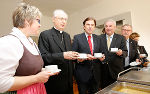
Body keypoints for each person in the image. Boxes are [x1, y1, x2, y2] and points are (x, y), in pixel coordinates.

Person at [0, 3, 55, 94]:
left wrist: (44, 71)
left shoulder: (31, 42)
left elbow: (28, 69)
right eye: (38, 21)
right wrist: (37, 78)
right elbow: (2, 83)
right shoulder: (10, 42)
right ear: (27, 21)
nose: (39, 25)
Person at [38, 9, 79, 94]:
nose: (63, 21)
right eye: (61, 19)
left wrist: (77, 58)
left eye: (65, 19)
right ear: (53, 19)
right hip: (54, 81)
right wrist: (63, 55)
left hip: (69, 81)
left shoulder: (67, 36)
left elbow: (68, 55)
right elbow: (43, 57)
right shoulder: (45, 35)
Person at [72, 17, 105, 94]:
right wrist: (78, 59)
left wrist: (102, 57)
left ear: (94, 27)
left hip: (96, 74)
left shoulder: (98, 38)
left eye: (92, 25)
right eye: (88, 24)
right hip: (82, 73)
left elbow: (101, 52)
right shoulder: (77, 38)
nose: (90, 26)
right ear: (84, 26)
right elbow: (73, 54)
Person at [99, 19, 127, 88]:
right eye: (106, 26)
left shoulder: (121, 38)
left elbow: (125, 52)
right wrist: (99, 57)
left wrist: (121, 53)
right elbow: (96, 51)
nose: (108, 28)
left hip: (116, 71)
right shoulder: (99, 38)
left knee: (117, 90)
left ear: (114, 27)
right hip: (103, 72)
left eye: (110, 26)